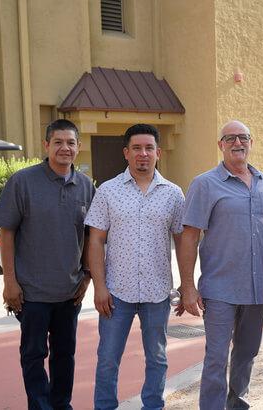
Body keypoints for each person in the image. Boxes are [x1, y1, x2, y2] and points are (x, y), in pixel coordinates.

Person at [0, 119, 95, 409]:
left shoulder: (86, 186)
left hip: (69, 293)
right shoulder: (23, 182)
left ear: (78, 147)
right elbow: (6, 232)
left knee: (65, 356)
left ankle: (62, 405)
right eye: (58, 142)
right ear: (46, 145)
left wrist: (86, 278)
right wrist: (9, 282)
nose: (65, 148)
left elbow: (90, 236)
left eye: (71, 142)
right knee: (33, 356)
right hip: (31, 294)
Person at [85, 124, 185, 410]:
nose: (143, 154)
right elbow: (95, 241)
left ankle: (153, 406)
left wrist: (186, 285)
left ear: (158, 153)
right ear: (126, 153)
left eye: (149, 148)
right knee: (107, 358)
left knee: (157, 358)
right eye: (137, 148)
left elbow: (183, 242)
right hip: (116, 293)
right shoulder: (107, 191)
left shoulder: (173, 194)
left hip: (157, 293)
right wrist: (99, 287)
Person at [178, 120, 263, 410]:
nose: (237, 143)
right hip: (220, 289)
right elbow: (190, 236)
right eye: (230, 138)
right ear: (220, 145)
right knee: (217, 358)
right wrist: (187, 286)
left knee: (247, 354)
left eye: (243, 137)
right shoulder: (204, 183)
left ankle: (237, 403)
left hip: (257, 289)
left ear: (251, 142)